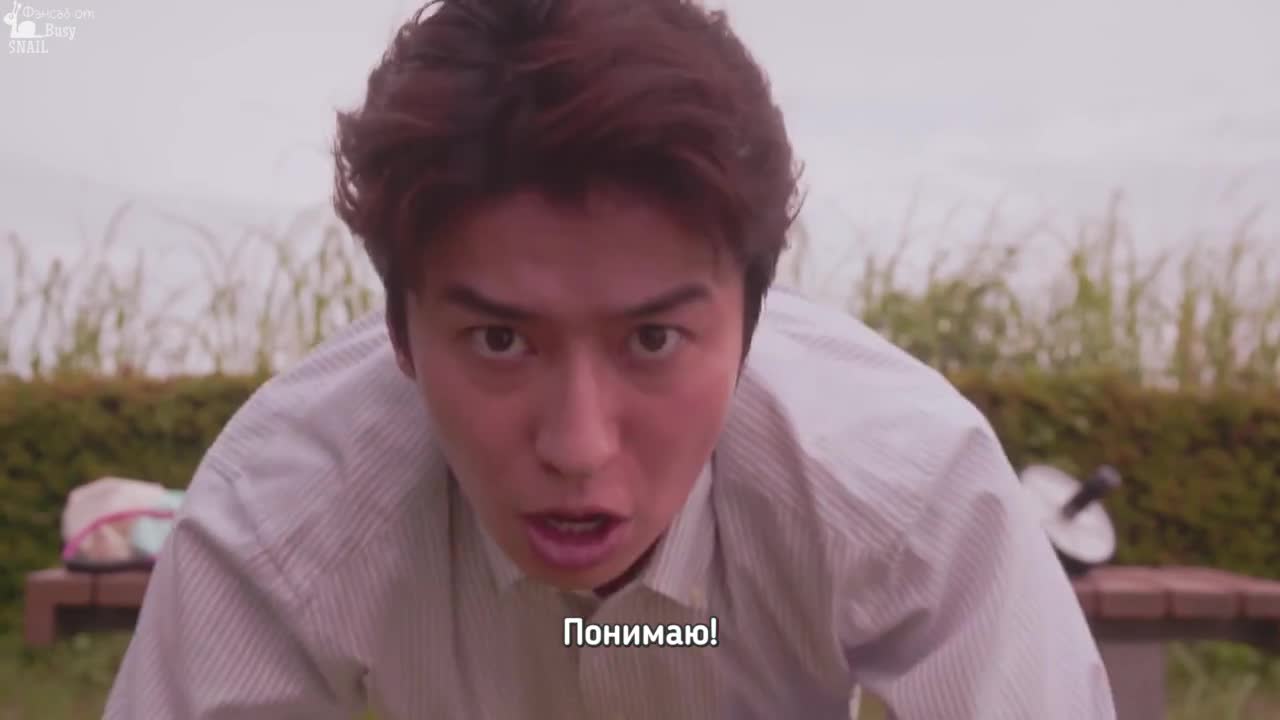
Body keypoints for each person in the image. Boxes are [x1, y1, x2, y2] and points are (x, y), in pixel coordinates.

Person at [105, 0, 1116, 717]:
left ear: (751, 328)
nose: (578, 447)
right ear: (400, 337)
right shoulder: (285, 508)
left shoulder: (904, 480)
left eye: (652, 339)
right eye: (500, 340)